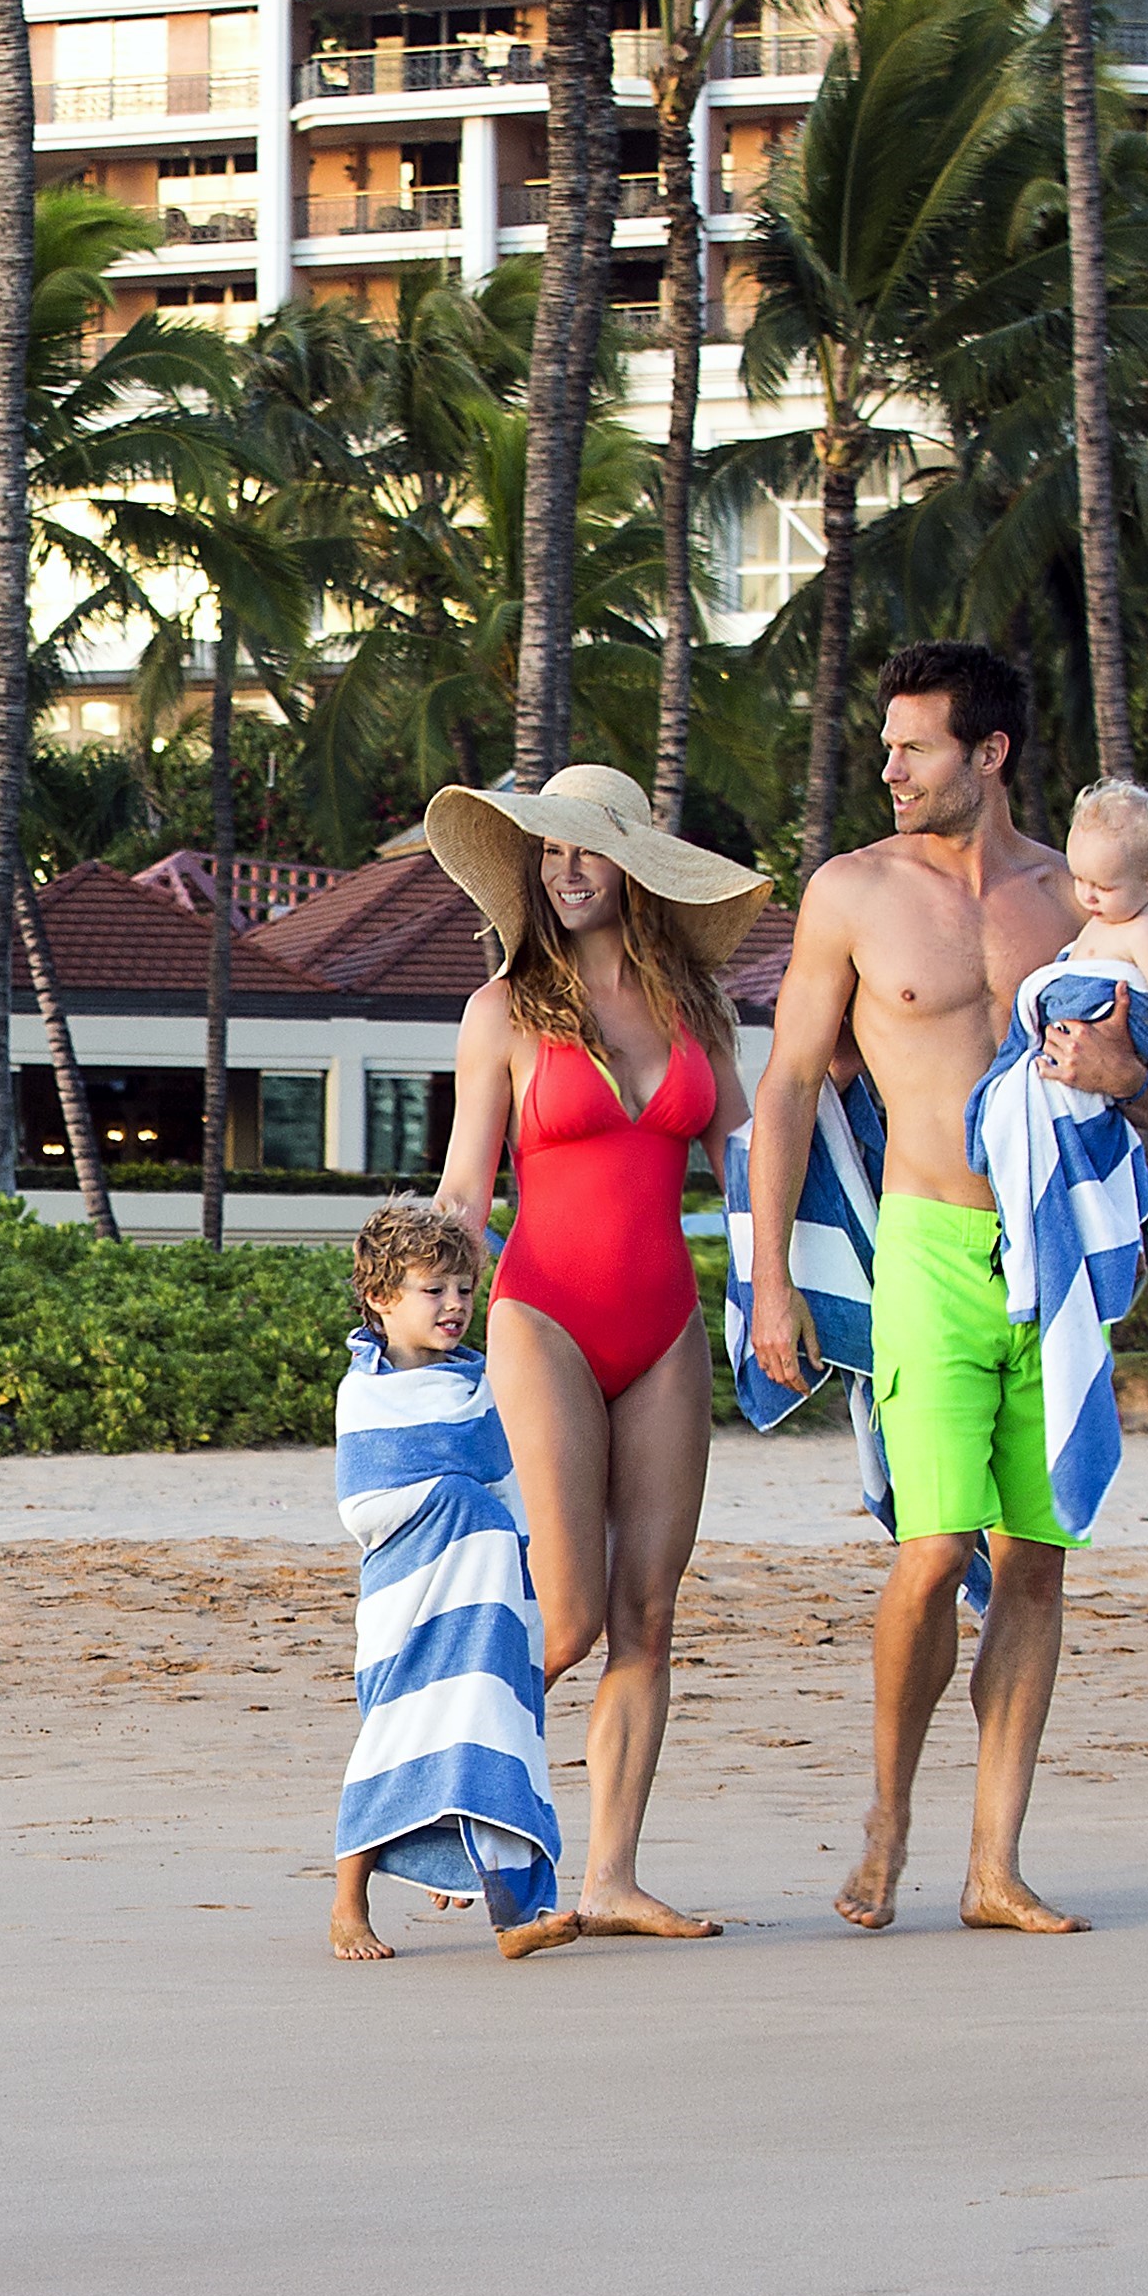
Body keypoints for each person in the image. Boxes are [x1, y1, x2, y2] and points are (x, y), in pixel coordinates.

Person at [738, 641, 1148, 1936]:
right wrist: (769, 1287)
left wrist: (1123, 1082)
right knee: (929, 1555)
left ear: (988, 754)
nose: (889, 769)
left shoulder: (1079, 904)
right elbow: (790, 1086)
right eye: (884, 746)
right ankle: (886, 1814)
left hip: (1048, 1262)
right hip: (923, 1245)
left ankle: (993, 1865)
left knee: (1033, 1559)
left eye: (912, 747)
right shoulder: (852, 893)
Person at [426, 762, 772, 1943]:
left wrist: (781, 1284)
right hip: (544, 1315)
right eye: (550, 850)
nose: (567, 869)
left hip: (666, 1325)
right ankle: (454, 1802)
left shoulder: (698, 1011)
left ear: (634, 867)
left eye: (590, 849)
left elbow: (748, 1168)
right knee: (565, 1617)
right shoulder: (503, 1013)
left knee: (649, 1614)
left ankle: (612, 1878)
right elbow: (469, 1186)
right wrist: (417, 1305)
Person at [331, 1195, 574, 1964]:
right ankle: (347, 1906)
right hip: (411, 1602)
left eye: (465, 1288)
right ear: (381, 1298)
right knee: (397, 1738)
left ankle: (516, 1916)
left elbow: (507, 1493)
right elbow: (364, 1503)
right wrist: (453, 1500)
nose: (456, 1305)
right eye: (433, 1290)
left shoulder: (475, 1385)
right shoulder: (366, 1392)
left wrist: (506, 1557)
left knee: (491, 1732)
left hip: (483, 1600)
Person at [1057, 783, 1148, 1137]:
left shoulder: (1144, 929)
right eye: (1079, 879)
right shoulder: (1112, 912)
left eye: (1103, 887)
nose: (1087, 896)